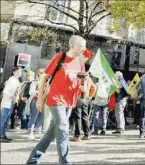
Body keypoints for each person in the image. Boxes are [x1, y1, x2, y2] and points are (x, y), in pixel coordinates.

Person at [26, 35, 88, 164]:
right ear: (72, 46)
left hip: (70, 101)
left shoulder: (81, 61)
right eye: (81, 48)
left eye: (84, 48)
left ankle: (32, 160)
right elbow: (44, 77)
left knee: (51, 133)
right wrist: (40, 99)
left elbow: (82, 83)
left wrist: (83, 85)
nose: (83, 50)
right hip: (56, 99)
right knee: (63, 128)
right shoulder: (60, 57)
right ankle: (65, 162)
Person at [70, 72, 96, 142]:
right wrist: (90, 96)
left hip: (78, 99)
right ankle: (87, 135)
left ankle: (77, 135)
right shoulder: (89, 79)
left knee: (77, 117)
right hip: (85, 99)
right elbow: (94, 88)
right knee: (85, 116)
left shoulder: (78, 79)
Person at [0, 67, 22, 143]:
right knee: (3, 119)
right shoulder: (11, 79)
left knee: (6, 120)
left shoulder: (16, 80)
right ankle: (1, 136)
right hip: (7, 102)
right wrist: (11, 96)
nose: (19, 73)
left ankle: (3, 135)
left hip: (11, 102)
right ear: (13, 72)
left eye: (20, 72)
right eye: (17, 71)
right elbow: (5, 91)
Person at [27, 69, 45, 140]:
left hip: (43, 101)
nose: (42, 74)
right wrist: (38, 92)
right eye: (41, 73)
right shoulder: (35, 82)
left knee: (42, 116)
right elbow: (31, 92)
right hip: (35, 100)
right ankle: (30, 132)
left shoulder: (45, 83)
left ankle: (38, 131)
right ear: (38, 74)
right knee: (34, 116)